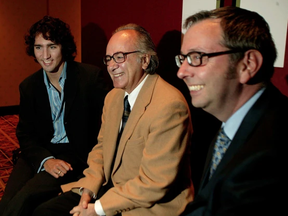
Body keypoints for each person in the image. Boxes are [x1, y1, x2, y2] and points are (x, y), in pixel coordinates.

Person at [32, 23, 194, 216]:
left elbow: (154, 183)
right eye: (109, 58)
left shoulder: (169, 105)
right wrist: (89, 188)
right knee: (44, 212)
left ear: (145, 60)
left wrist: (98, 209)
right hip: (110, 189)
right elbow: (101, 148)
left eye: (119, 57)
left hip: (149, 204)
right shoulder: (114, 97)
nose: (111, 66)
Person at [175, 6, 288, 216]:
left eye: (197, 56)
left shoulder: (271, 151)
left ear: (248, 64)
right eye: (183, 59)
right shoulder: (231, 124)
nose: (181, 72)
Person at [0, 16, 108, 216]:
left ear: (64, 47)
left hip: (73, 155)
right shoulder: (28, 86)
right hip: (39, 152)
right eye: (39, 47)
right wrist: (45, 159)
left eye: (52, 46)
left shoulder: (89, 78)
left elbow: (104, 129)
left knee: (26, 198)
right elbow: (25, 134)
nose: (45, 55)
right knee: (6, 203)